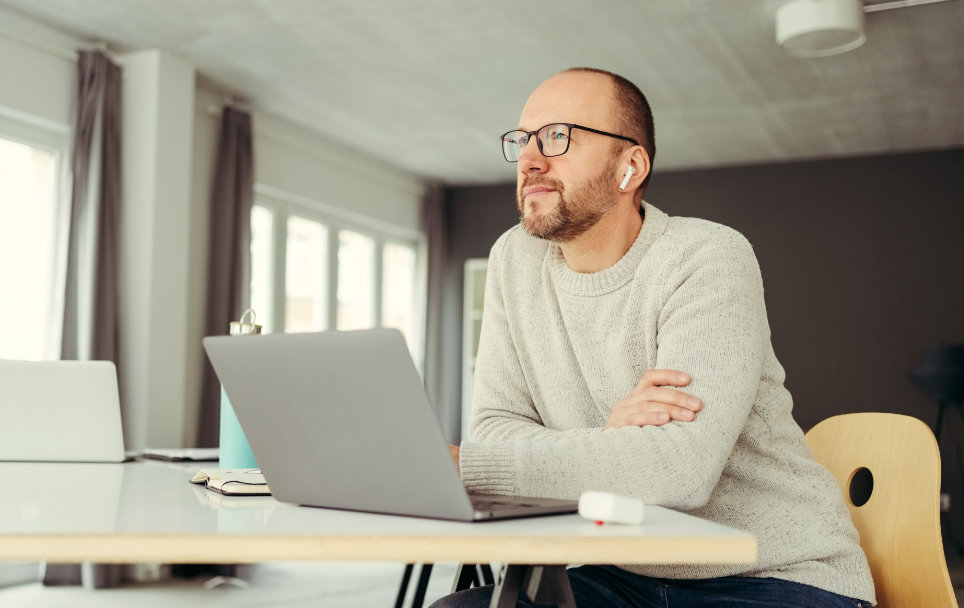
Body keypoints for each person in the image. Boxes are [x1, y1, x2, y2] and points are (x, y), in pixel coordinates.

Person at [430, 68, 875, 608]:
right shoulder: (512, 260)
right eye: (522, 139)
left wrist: (469, 465)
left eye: (557, 136)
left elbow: (679, 469)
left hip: (772, 573)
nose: (529, 159)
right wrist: (613, 433)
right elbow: (494, 427)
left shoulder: (707, 256)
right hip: (622, 573)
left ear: (630, 166)